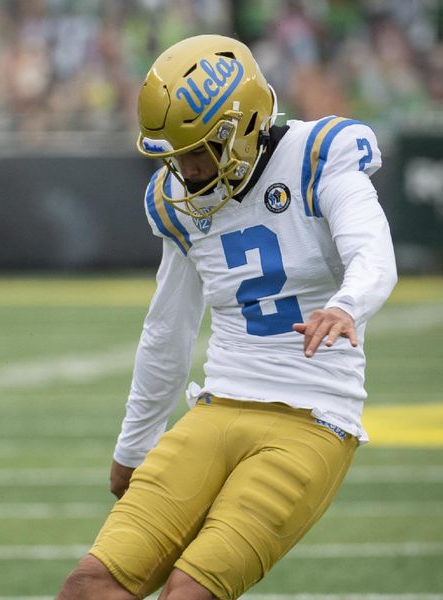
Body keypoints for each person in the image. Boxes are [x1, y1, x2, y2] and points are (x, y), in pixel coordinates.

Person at [56, 34, 397, 600]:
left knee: (189, 591)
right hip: (218, 406)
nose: (186, 171)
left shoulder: (319, 155)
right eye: (175, 154)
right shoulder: (178, 202)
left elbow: (372, 252)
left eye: (198, 150)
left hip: (313, 415)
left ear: (243, 125)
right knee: (89, 585)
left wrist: (345, 303)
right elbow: (168, 329)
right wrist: (133, 446)